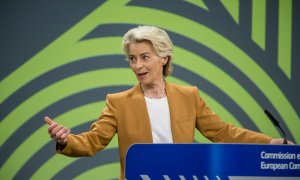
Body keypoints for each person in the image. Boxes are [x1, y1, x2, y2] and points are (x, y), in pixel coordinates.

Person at [45, 25, 293, 179]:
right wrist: (67, 140)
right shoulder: (117, 102)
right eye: (132, 58)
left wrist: (269, 142)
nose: (138, 65)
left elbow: (222, 132)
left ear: (164, 58)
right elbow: (93, 142)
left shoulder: (189, 96)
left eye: (145, 57)